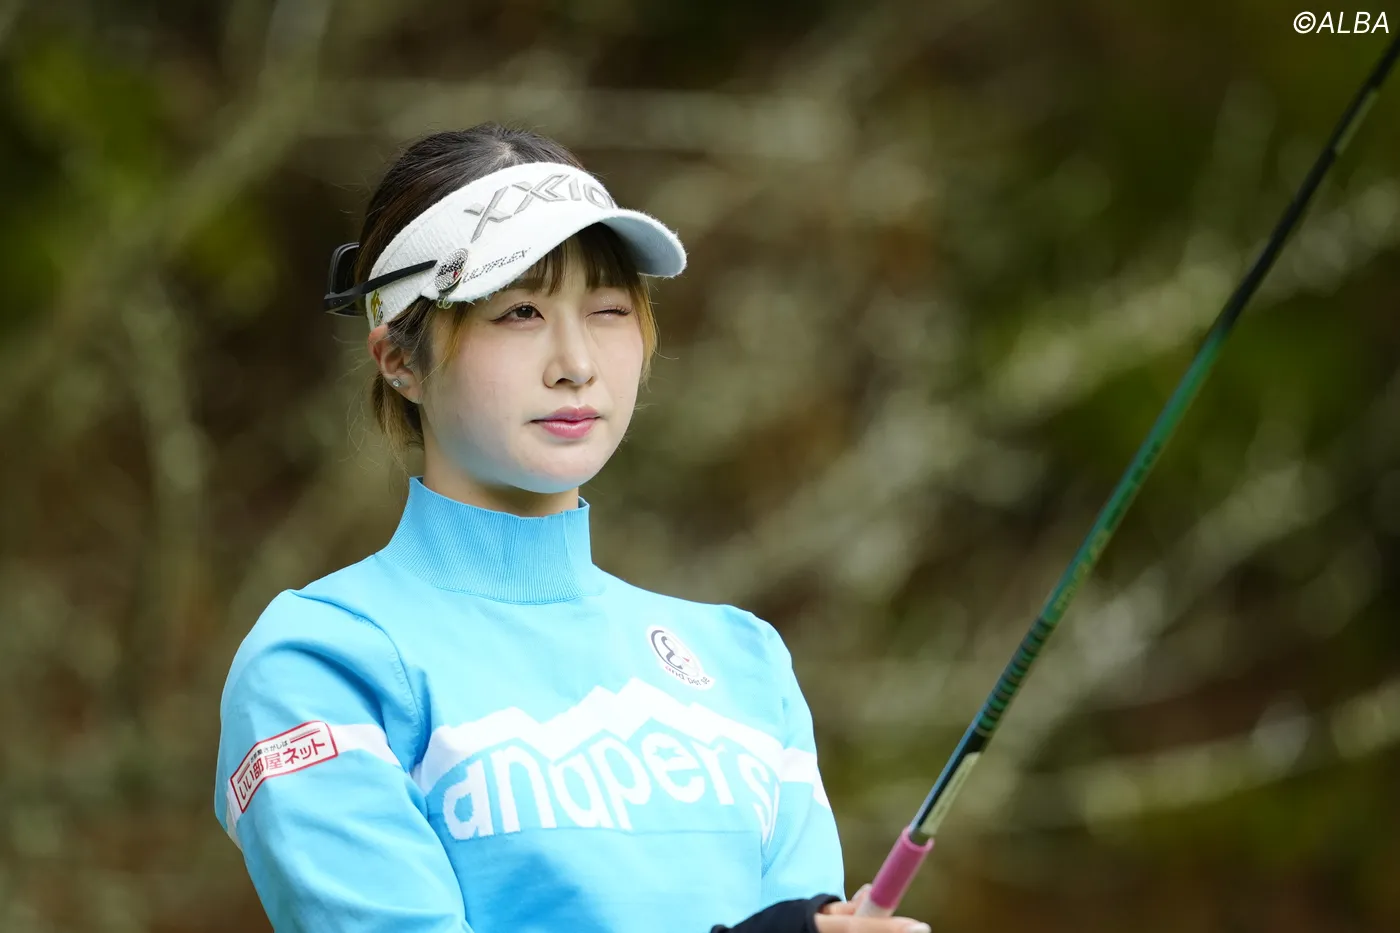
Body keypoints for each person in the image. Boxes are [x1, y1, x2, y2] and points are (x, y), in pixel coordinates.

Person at [213, 123, 931, 933]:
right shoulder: (322, 658)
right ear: (400, 359)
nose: (576, 363)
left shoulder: (746, 663)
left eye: (608, 309)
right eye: (520, 311)